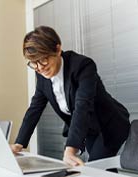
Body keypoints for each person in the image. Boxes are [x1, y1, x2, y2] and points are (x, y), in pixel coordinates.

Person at [11, 26, 130, 166]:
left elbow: (82, 106)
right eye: (33, 62)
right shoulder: (42, 74)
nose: (40, 67)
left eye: (43, 59)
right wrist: (19, 143)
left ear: (57, 49)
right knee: (103, 168)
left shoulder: (82, 66)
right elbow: (34, 109)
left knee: (97, 166)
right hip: (89, 128)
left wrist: (70, 149)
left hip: (110, 123)